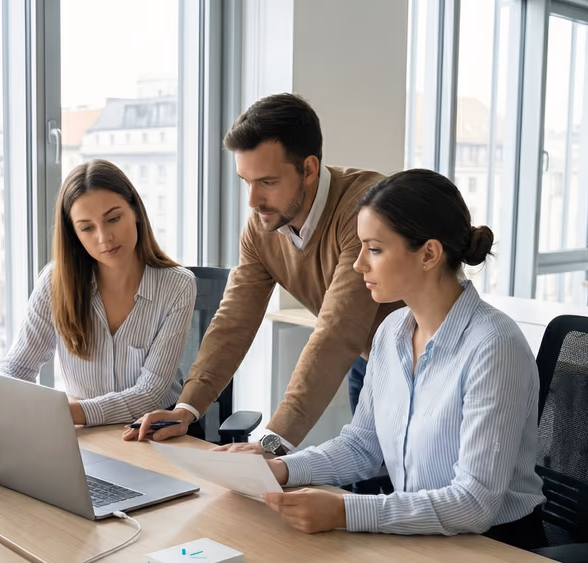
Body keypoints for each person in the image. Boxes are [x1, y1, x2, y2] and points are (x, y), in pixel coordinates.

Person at [255, 169, 546, 546]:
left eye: (374, 249)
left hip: (497, 547)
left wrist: (346, 511)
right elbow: (362, 445)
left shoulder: (494, 347)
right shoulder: (392, 331)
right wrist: (281, 469)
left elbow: (475, 504)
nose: (359, 263)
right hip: (423, 534)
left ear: (428, 254)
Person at [125, 93, 400, 451]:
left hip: (430, 361)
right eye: (246, 181)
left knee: (418, 490)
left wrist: (272, 442)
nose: (253, 201)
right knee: (367, 478)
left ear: (310, 169)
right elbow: (233, 321)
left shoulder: (364, 210)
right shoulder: (261, 228)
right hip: (371, 357)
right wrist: (186, 408)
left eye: (267, 182)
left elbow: (336, 332)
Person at [0, 159, 196, 427]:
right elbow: (19, 367)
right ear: (74, 234)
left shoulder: (178, 286)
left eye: (113, 219)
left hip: (150, 431)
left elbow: (149, 394)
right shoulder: (54, 283)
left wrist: (64, 413)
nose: (104, 237)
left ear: (135, 211)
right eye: (87, 228)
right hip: (84, 434)